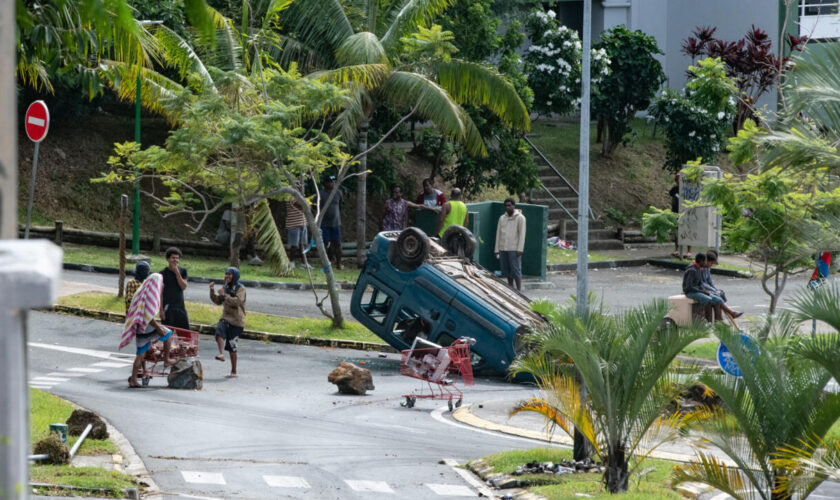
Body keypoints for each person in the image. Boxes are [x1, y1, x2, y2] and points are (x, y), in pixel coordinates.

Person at [119, 273, 174, 388]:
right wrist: (158, 329)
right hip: (147, 327)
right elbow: (148, 317)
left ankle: (133, 379)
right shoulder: (151, 295)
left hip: (140, 328)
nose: (162, 284)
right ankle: (167, 359)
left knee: (140, 355)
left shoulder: (142, 292)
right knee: (168, 333)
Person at [210, 267, 246, 378]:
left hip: (237, 321)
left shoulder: (241, 288)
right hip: (225, 317)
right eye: (226, 274)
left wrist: (225, 295)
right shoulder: (225, 287)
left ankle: (234, 371)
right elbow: (218, 301)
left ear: (235, 276)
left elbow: (237, 302)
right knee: (219, 332)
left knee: (232, 345)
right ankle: (221, 354)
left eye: (229, 274)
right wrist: (212, 291)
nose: (227, 276)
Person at [495, 198, 526, 291]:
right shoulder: (502, 218)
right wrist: (497, 250)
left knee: (516, 270)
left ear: (513, 206)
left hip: (514, 248)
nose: (507, 207)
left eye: (509, 205)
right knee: (506, 270)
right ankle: (511, 288)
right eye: (506, 206)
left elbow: (522, 234)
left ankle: (519, 290)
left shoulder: (520, 218)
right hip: (503, 248)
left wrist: (520, 249)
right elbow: (498, 234)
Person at [682, 252, 722, 322]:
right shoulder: (692, 270)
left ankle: (717, 322)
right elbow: (689, 287)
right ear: (701, 261)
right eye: (705, 261)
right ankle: (708, 322)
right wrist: (702, 291)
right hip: (691, 292)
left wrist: (707, 291)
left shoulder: (699, 269)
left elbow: (700, 283)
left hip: (698, 291)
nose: (706, 263)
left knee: (717, 300)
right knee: (708, 300)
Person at [703, 250, 743, 319]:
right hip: (702, 290)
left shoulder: (707, 269)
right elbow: (702, 283)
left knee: (720, 293)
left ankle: (721, 316)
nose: (711, 265)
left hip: (707, 289)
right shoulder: (701, 269)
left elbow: (710, 282)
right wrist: (713, 290)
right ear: (707, 261)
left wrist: (715, 289)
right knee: (717, 298)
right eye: (711, 263)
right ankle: (729, 314)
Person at [159, 247, 189, 330]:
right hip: (168, 308)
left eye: (177, 258)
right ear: (168, 259)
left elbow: (183, 287)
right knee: (167, 334)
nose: (175, 260)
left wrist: (177, 273)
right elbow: (160, 293)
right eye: (173, 258)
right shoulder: (162, 274)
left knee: (185, 334)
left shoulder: (183, 271)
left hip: (180, 307)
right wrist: (161, 310)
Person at [319, 176, 343, 270]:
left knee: (337, 243)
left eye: (333, 182)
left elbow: (340, 205)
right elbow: (315, 206)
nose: (331, 184)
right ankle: (325, 262)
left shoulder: (338, 193)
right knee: (324, 243)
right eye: (329, 182)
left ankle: (339, 263)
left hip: (335, 223)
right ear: (325, 183)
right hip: (324, 223)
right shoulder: (320, 194)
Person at [286, 183, 311, 269]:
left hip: (303, 223)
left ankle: (304, 263)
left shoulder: (300, 198)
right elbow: (304, 206)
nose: (302, 189)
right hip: (294, 224)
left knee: (303, 244)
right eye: (300, 187)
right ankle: (291, 262)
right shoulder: (291, 197)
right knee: (294, 245)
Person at [669, 173, 691, 259]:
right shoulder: (674, 189)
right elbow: (672, 199)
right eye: (677, 180)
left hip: (686, 212)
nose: (678, 181)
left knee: (688, 231)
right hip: (676, 212)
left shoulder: (687, 189)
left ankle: (689, 251)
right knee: (676, 231)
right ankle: (677, 249)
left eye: (680, 179)